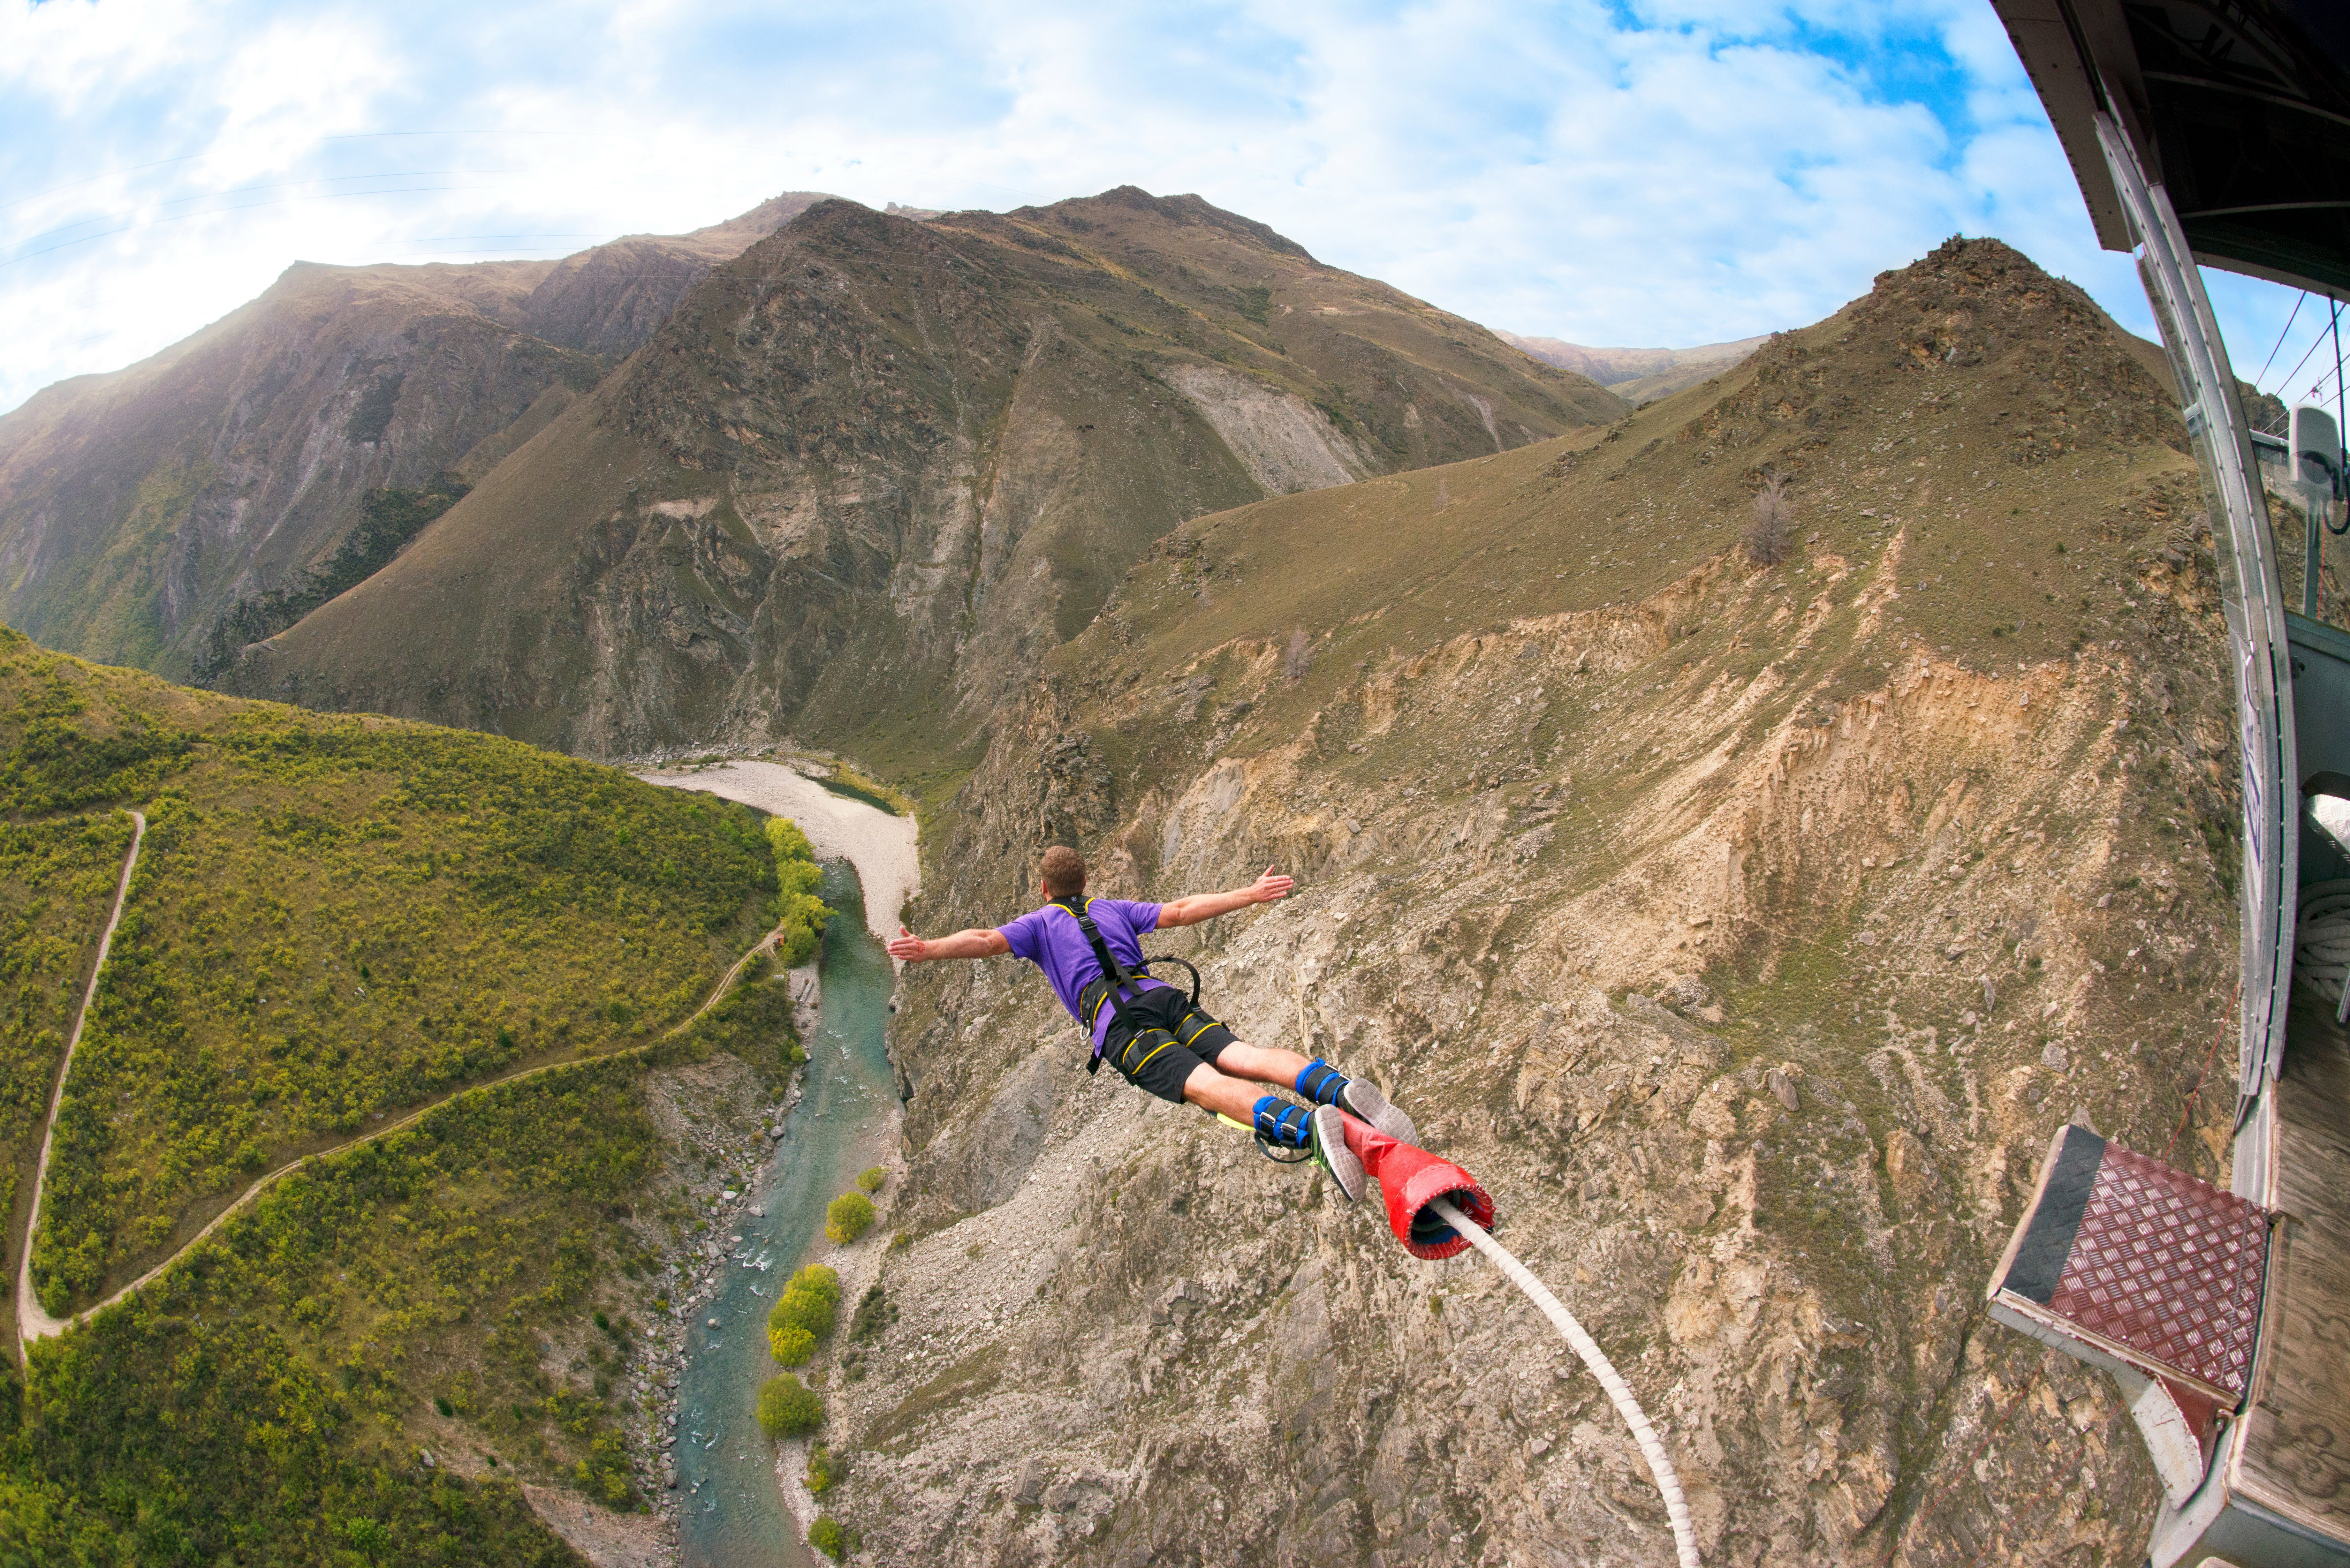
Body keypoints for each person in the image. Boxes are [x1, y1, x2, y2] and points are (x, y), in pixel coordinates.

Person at [886, 845, 1417, 1203]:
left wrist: (927, 949)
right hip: (1160, 994)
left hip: (1119, 1021)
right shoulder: (1111, 907)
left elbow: (984, 942)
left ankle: (1311, 1134)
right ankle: (1339, 1089)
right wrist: (1250, 895)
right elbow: (1182, 911)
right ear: (1085, 882)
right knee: (1242, 1056)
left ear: (1044, 888)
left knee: (1208, 1088)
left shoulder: (1041, 923)